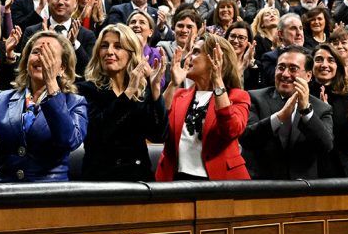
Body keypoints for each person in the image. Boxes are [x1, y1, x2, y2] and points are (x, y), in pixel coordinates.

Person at [0, 30, 87, 181]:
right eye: (36, 52)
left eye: (49, 54)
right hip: (6, 190)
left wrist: (51, 84)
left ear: (62, 68)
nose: (41, 57)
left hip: (49, 191)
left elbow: (69, 142)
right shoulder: (2, 98)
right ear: (26, 61)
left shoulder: (75, 103)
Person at [79, 24, 168, 181]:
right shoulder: (86, 90)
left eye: (118, 46)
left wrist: (155, 91)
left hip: (138, 178)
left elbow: (158, 136)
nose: (109, 51)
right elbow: (98, 133)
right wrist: (128, 92)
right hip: (99, 179)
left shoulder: (142, 92)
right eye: (104, 46)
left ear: (131, 54)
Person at [156, 34, 251, 180]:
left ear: (215, 59)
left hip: (220, 181)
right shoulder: (178, 95)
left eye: (195, 52)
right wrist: (173, 84)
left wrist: (218, 81)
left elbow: (230, 130)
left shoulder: (237, 96)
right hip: (176, 179)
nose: (188, 56)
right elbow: (157, 127)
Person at [240, 46, 333, 179]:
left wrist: (306, 111)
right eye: (281, 67)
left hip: (302, 187)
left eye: (293, 69)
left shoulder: (321, 108)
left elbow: (326, 146)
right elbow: (246, 139)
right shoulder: (254, 98)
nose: (285, 74)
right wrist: (279, 117)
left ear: (308, 76)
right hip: (261, 186)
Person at [19, 0, 96, 78]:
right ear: (48, 1)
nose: (60, 2)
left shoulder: (87, 35)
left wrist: (74, 43)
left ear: (75, 3)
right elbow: (23, 68)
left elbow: (89, 70)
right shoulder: (32, 31)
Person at [309, 44, 348, 177]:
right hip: (311, 171)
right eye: (319, 59)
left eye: (331, 60)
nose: (324, 65)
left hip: (341, 173)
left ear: (337, 66)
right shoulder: (302, 96)